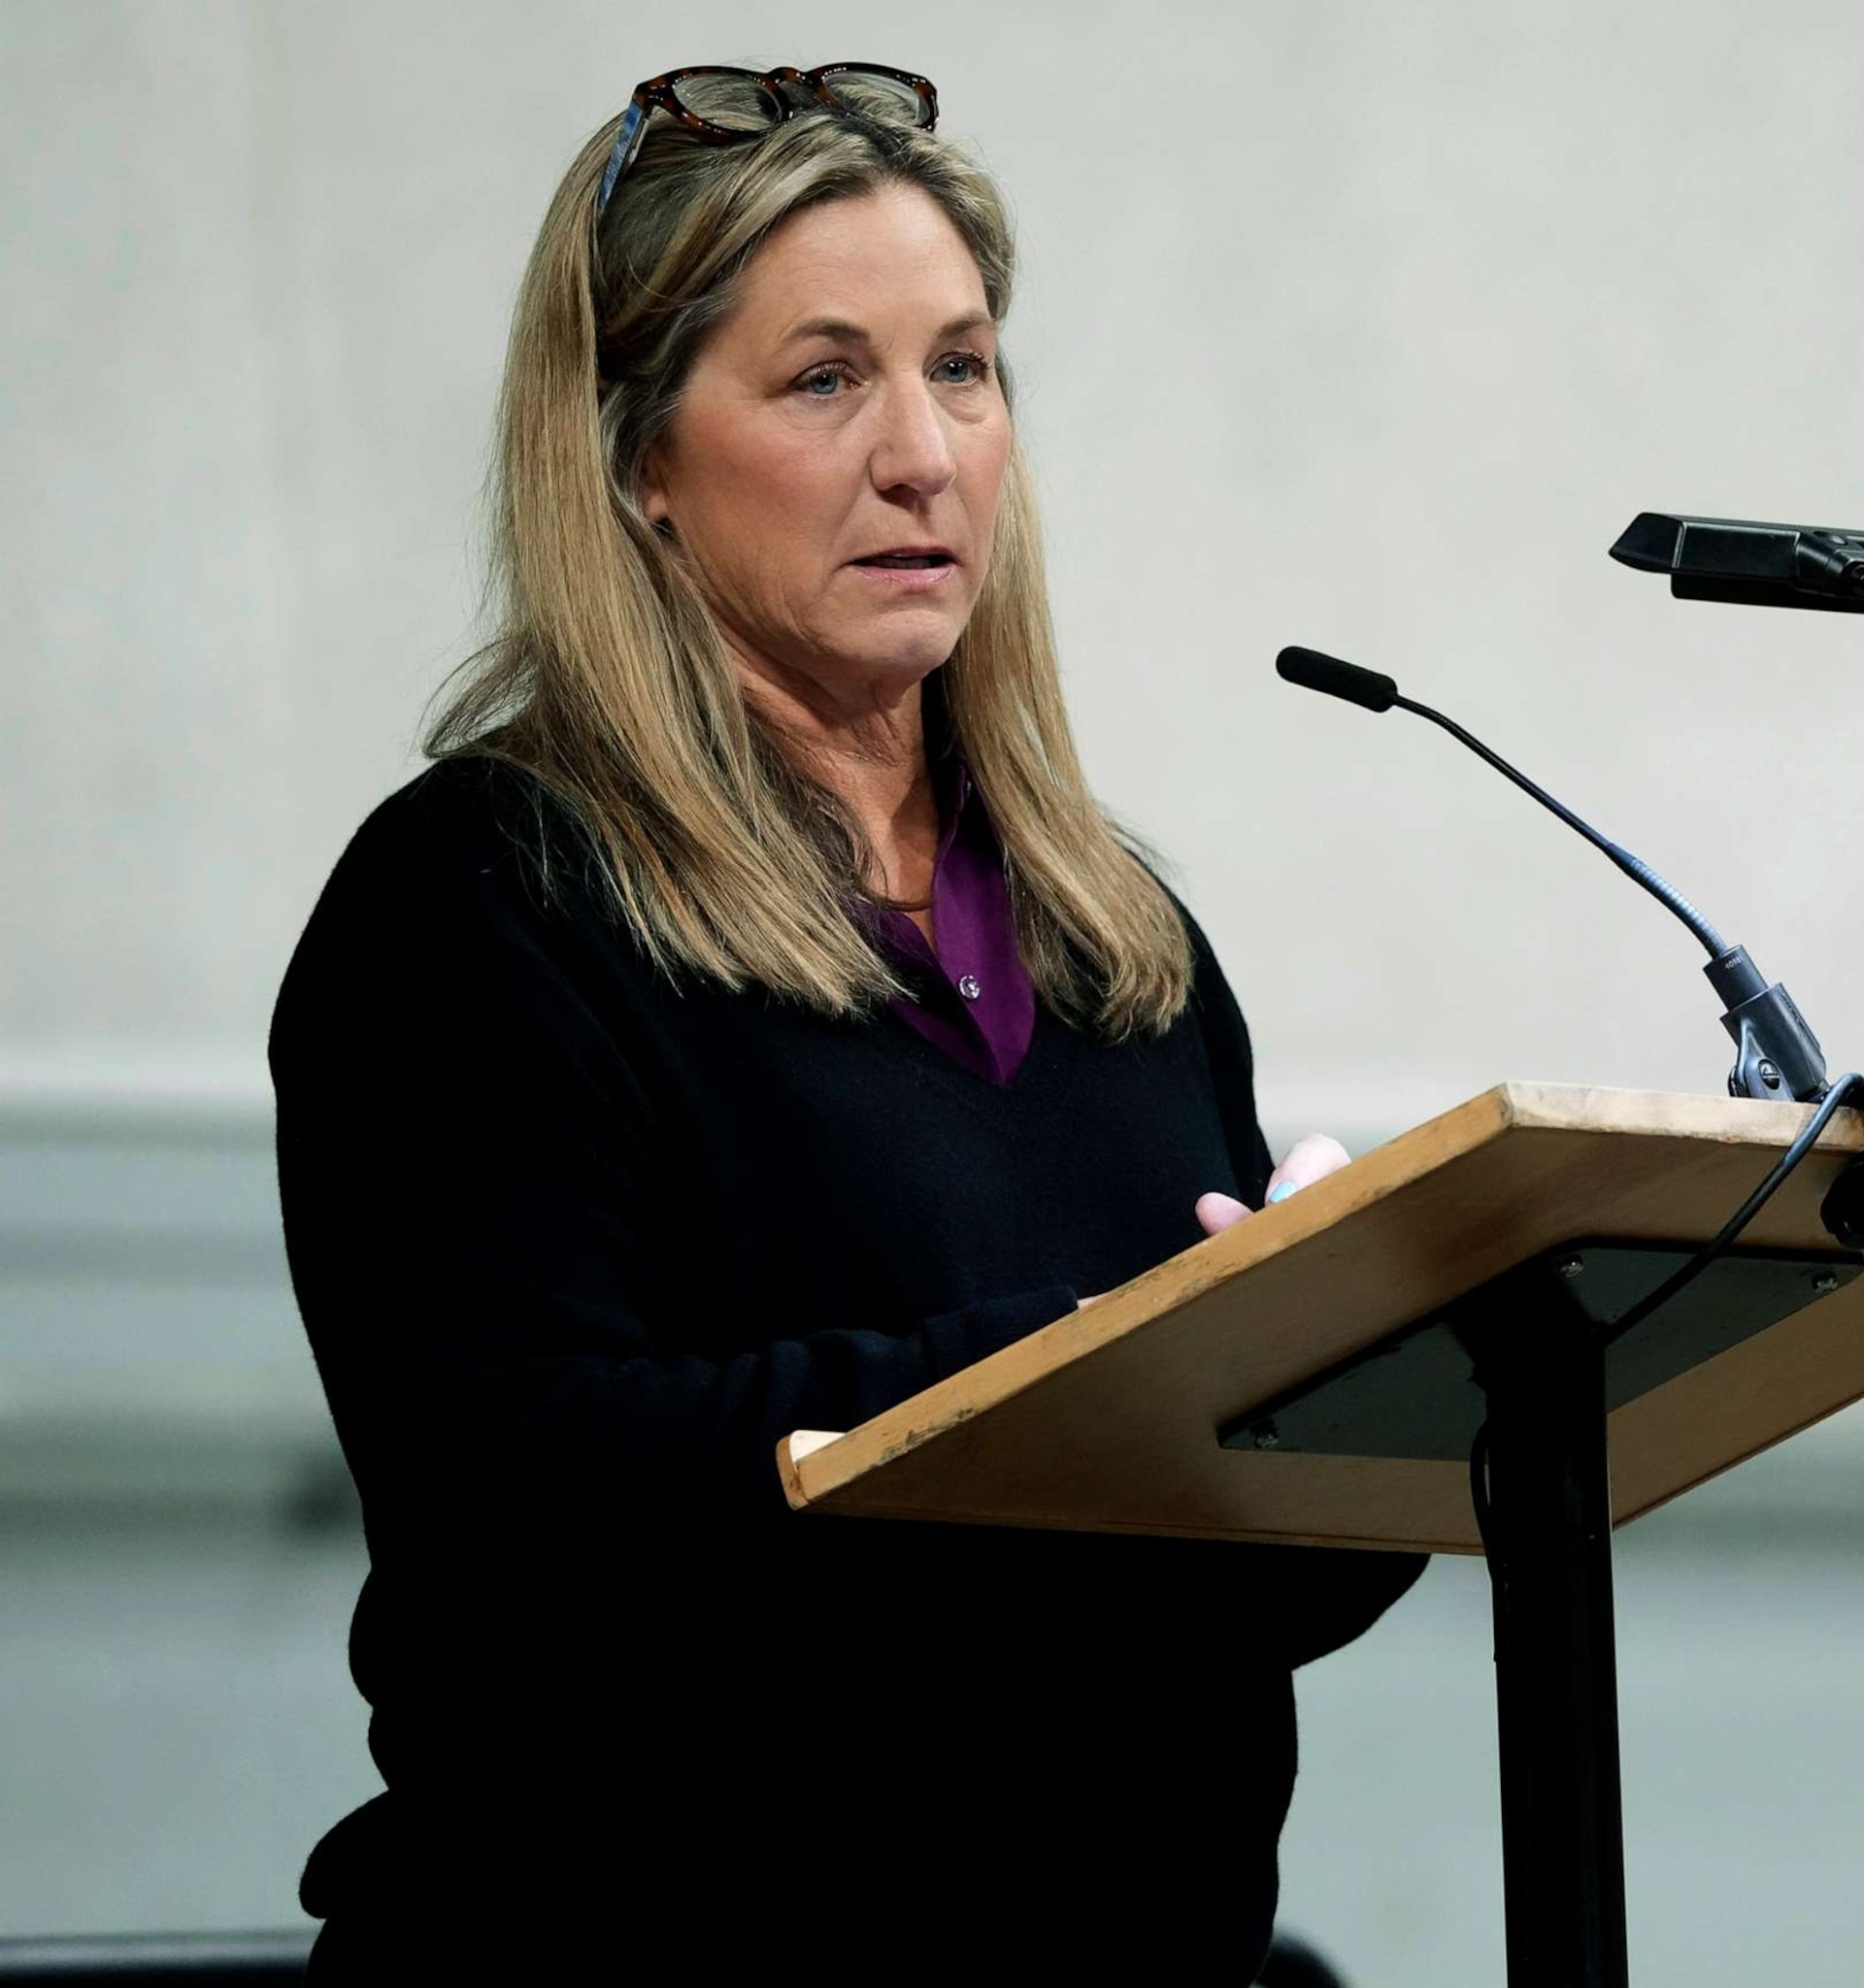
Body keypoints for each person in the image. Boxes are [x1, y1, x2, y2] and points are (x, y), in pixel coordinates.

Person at [270, 64, 1422, 1980]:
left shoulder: (1108, 931)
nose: (927, 454)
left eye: (964, 368)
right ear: (635, 456)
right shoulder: (487, 900)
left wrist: (1350, 1373)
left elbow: (1236, 1592)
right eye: (825, 379)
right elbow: (526, 1505)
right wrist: (1092, 1375)